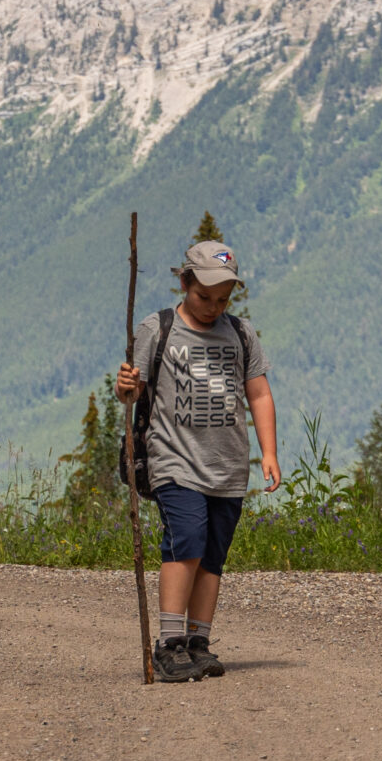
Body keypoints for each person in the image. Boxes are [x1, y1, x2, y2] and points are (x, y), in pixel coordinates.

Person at [114, 236, 281, 683]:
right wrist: (125, 385)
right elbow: (133, 390)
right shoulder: (159, 328)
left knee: (211, 556)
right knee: (185, 539)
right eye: (203, 296)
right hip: (174, 460)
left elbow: (260, 394)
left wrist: (269, 453)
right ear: (184, 282)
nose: (212, 306)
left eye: (222, 299)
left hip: (227, 466)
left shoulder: (241, 333)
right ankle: (168, 644)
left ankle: (197, 641)